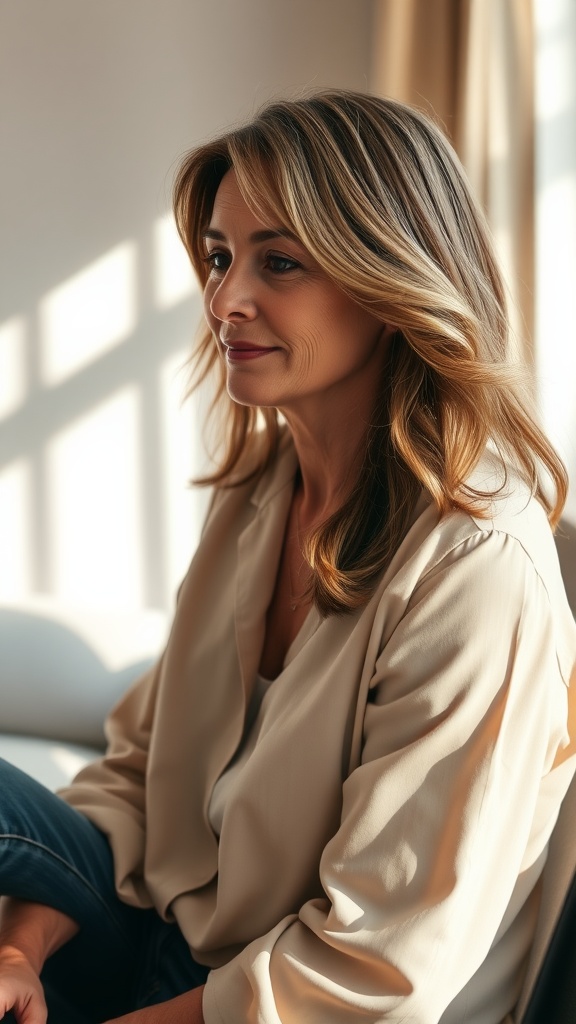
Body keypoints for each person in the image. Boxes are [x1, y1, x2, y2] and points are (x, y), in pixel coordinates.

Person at [0, 89, 575, 1024]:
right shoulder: (260, 495)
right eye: (221, 258)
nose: (226, 300)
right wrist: (17, 950)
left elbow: (373, 972)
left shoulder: (478, 570)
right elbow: (138, 771)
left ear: (392, 280)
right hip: (160, 938)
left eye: (280, 261)